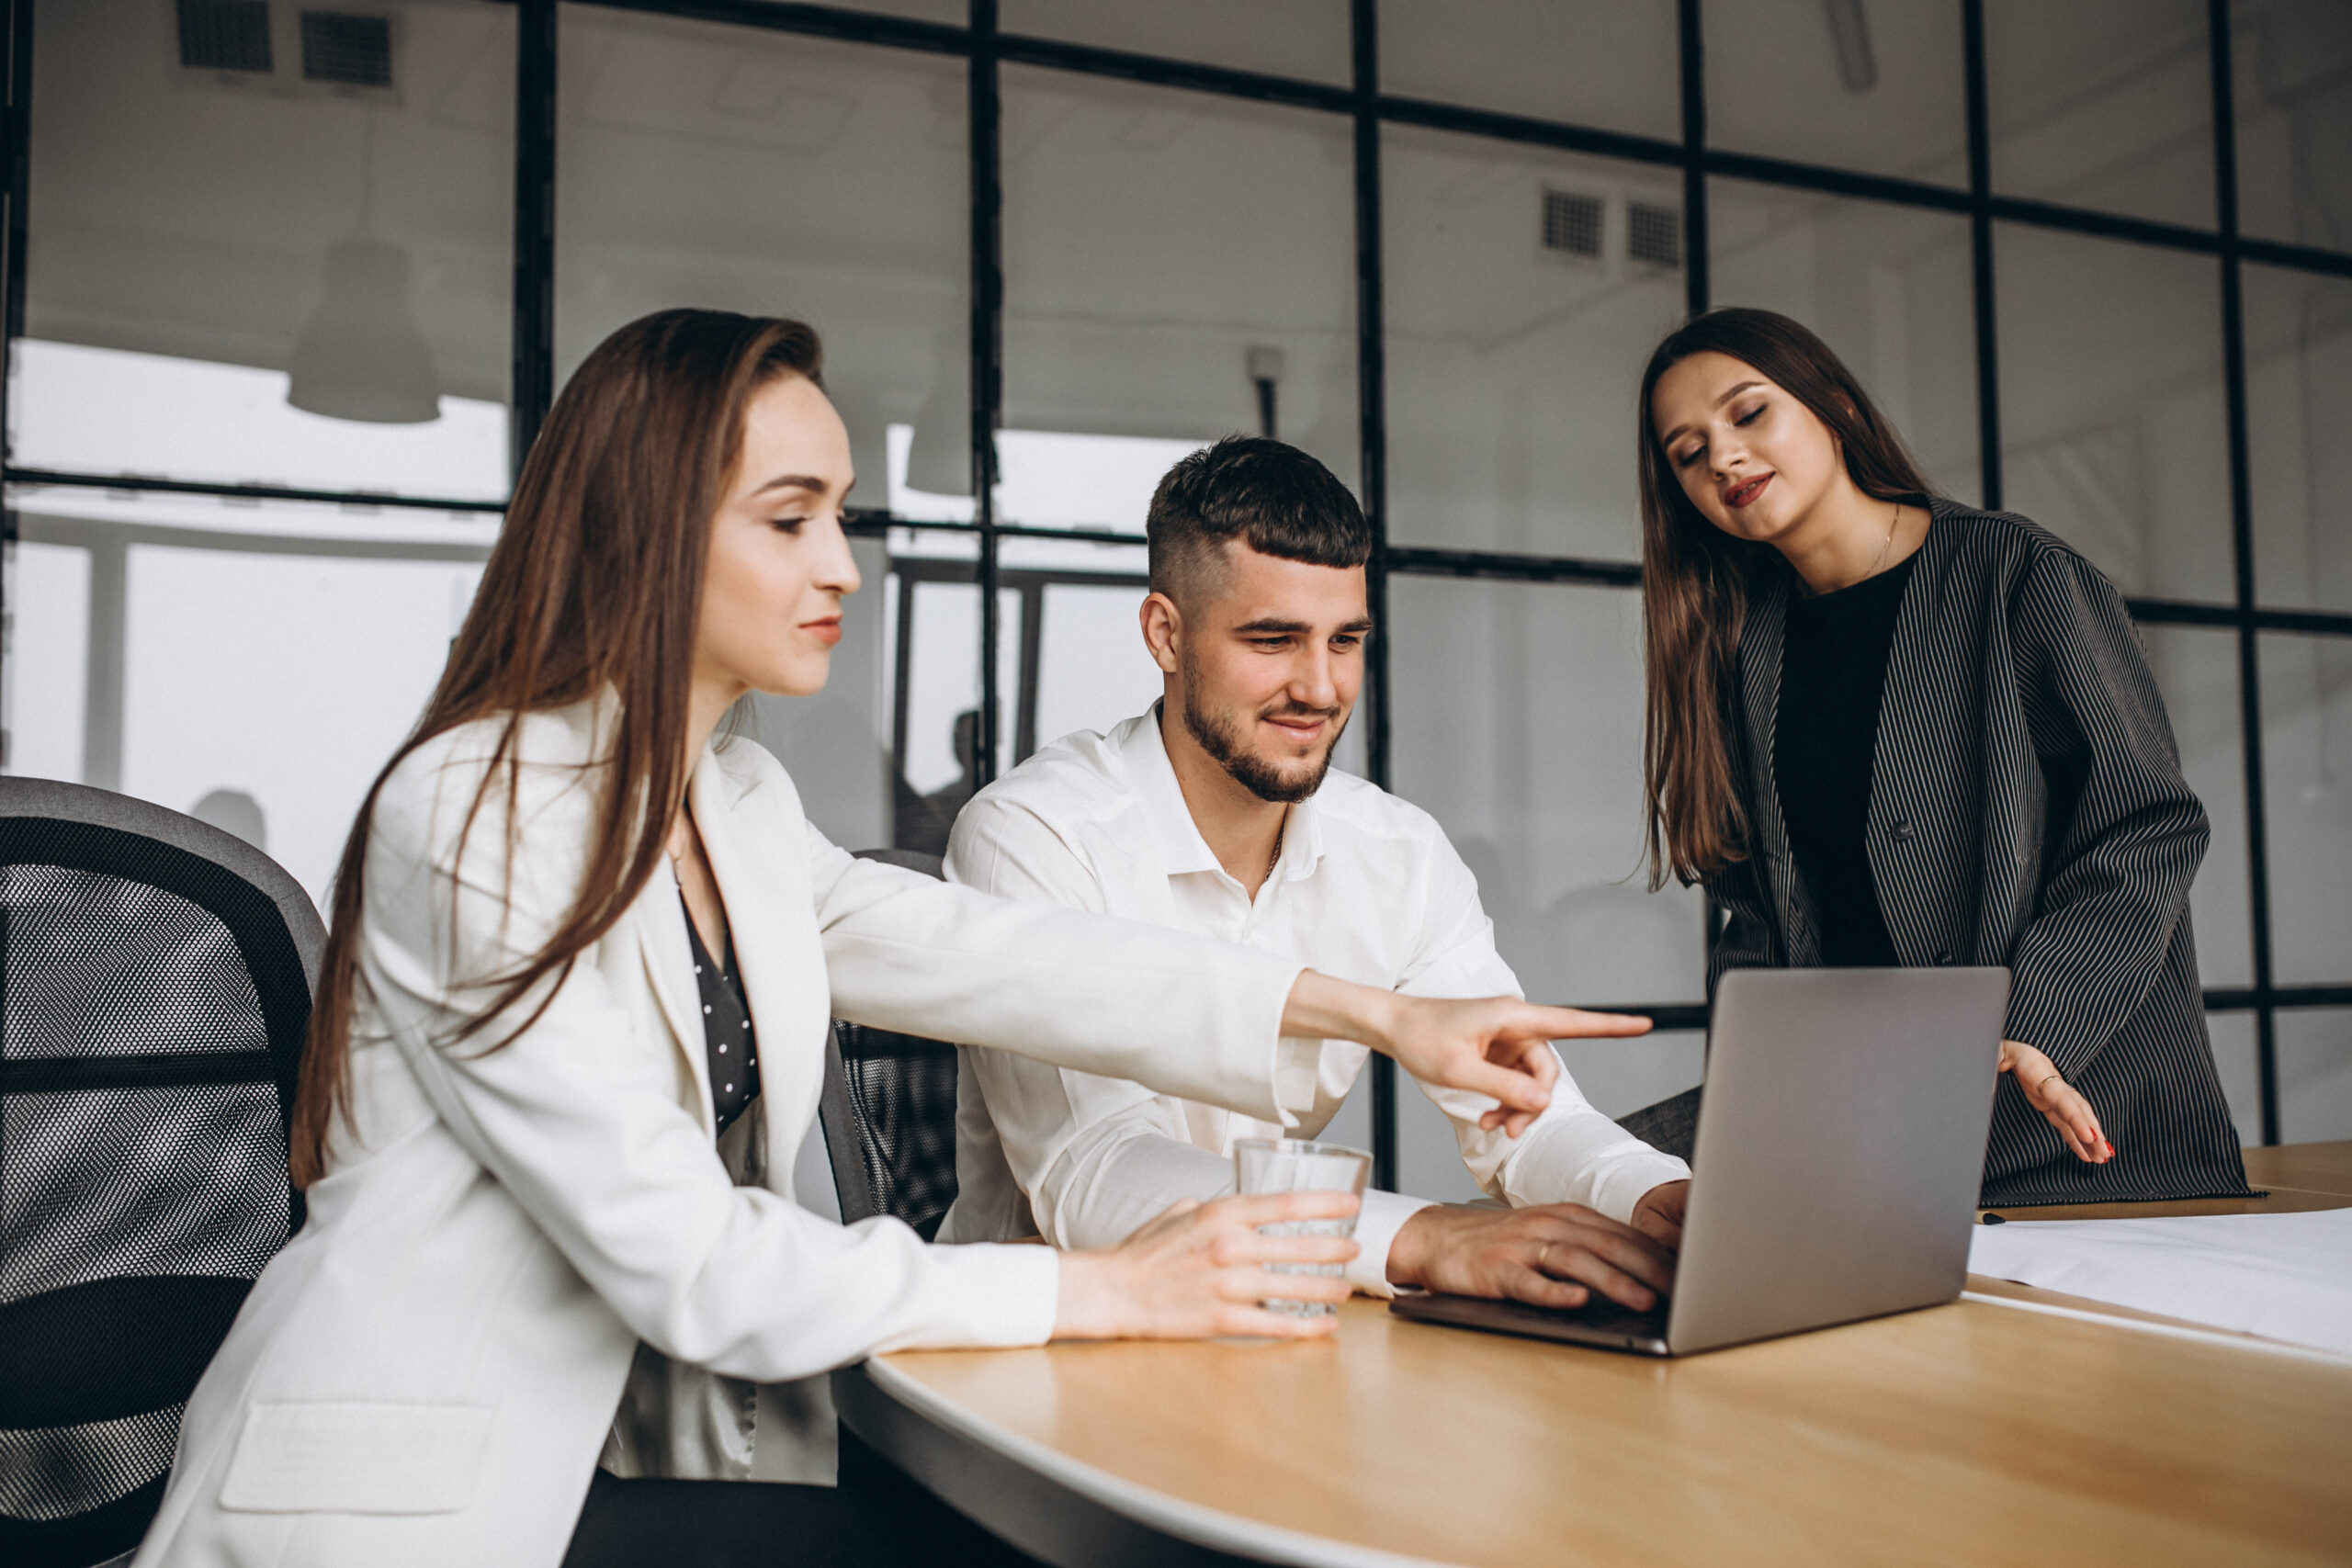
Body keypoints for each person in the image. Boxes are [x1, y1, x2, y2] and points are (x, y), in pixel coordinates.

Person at [131, 311, 1593, 1568]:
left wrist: (1380, 1015)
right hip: (401, 1503)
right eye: (790, 518)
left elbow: (1015, 957)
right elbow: (690, 1258)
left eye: (840, 512)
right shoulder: (480, 807)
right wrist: (1110, 1286)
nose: (841, 562)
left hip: (609, 1465)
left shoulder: (734, 798)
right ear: (646, 530)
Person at [939, 436, 1690, 1314]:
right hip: (1044, 1354)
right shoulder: (1034, 834)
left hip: (1284, 1330)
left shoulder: (1397, 852)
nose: (1322, 687)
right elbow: (1094, 1174)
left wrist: (1653, 1200)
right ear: (1165, 634)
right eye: (1273, 639)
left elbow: (1524, 1120)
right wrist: (1422, 1238)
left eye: (1346, 640)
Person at [1634, 306, 2250, 1207]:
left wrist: (2035, 1026)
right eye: (1687, 452)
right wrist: (1754, 1112)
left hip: (2049, 1118)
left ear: (1835, 406)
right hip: (1861, 1122)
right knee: (1587, 1189)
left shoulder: (2016, 574)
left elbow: (2144, 828)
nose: (1722, 456)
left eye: (1748, 413)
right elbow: (1757, 924)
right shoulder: (1738, 651)